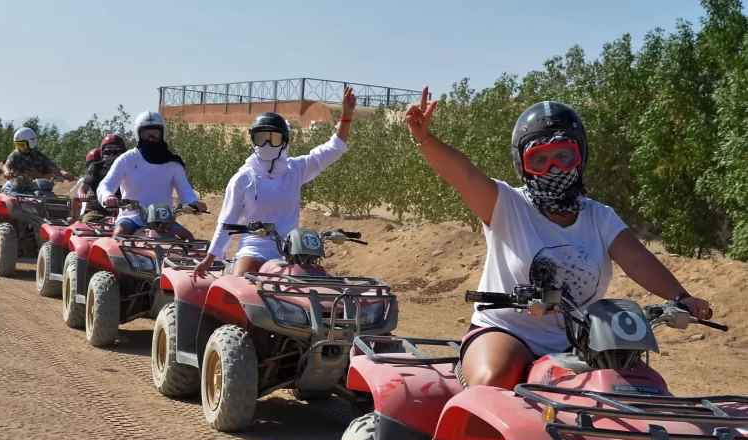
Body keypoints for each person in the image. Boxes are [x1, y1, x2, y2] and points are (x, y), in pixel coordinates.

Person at [402, 87, 712, 389]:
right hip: (507, 331)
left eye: (564, 156)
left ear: (581, 157)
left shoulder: (599, 216)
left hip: (584, 339)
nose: (553, 169)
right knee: (494, 380)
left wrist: (680, 297)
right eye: (540, 159)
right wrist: (425, 139)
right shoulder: (507, 205)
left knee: (645, 388)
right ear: (522, 164)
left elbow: (637, 258)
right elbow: (464, 174)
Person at [193, 86, 357, 279]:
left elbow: (333, 149)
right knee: (241, 285)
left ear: (284, 142)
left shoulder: (294, 169)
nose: (268, 144)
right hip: (254, 249)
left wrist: (347, 115)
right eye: (262, 138)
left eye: (274, 138)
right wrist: (209, 259)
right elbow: (227, 222)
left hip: (292, 252)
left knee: (315, 286)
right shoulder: (242, 179)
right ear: (253, 141)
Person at [97, 112, 206, 238]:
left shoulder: (173, 162)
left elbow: (185, 191)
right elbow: (105, 184)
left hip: (164, 220)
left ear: (162, 134)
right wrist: (108, 196)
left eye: (155, 133)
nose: (151, 138)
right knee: (120, 235)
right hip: (132, 218)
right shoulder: (127, 159)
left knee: (188, 238)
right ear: (138, 135)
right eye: (146, 134)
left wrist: (194, 203)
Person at [71, 134, 127, 222]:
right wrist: (82, 194)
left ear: (123, 153)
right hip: (97, 211)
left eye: (115, 152)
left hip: (124, 211)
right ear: (102, 152)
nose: (111, 155)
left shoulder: (129, 168)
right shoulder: (96, 167)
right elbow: (83, 187)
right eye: (107, 152)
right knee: (88, 222)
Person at [3, 126, 75, 193]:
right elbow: (8, 164)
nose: (19, 148)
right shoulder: (16, 154)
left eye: (21, 145)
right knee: (11, 200)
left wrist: (64, 173)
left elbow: (55, 169)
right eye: (17, 145)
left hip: (38, 190)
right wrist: (7, 172)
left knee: (51, 200)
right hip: (17, 189)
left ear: (31, 143)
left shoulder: (41, 157)